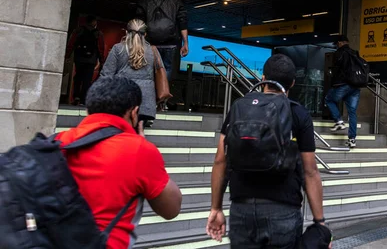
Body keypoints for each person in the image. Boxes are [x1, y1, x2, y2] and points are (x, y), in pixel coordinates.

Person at [207, 54, 327, 248]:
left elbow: (220, 161)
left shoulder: (239, 109)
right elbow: (310, 171)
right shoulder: (298, 113)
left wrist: (216, 208)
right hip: (283, 209)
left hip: (241, 208)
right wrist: (319, 221)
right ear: (293, 83)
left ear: (263, 79)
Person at [55, 76, 182, 249]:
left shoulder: (57, 142)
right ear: (134, 113)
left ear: (88, 111)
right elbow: (171, 209)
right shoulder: (138, 150)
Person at [101, 19, 161, 128]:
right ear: (145, 34)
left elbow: (106, 75)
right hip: (145, 105)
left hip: (122, 102)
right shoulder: (153, 51)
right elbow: (160, 76)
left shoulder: (118, 49)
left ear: (126, 32)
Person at [136, 0, 189, 82]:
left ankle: (148, 95)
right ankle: (162, 96)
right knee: (167, 68)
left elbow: (139, 20)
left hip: (150, 41)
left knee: (148, 68)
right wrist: (185, 43)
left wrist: (140, 39)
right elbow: (182, 21)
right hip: (170, 41)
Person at [326, 35, 361, 148]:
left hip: (343, 84)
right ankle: (352, 139)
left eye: (337, 44)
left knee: (329, 99)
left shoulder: (339, 53)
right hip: (355, 86)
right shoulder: (355, 53)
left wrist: (333, 82)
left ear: (340, 43)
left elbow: (337, 70)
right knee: (352, 112)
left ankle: (339, 121)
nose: (336, 46)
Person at [65, 14, 105, 105]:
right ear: (94, 22)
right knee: (87, 79)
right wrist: (101, 61)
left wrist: (67, 56)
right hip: (91, 60)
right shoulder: (98, 33)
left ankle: (76, 97)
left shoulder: (78, 30)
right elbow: (101, 48)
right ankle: (84, 99)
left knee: (78, 77)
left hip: (79, 58)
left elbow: (71, 43)